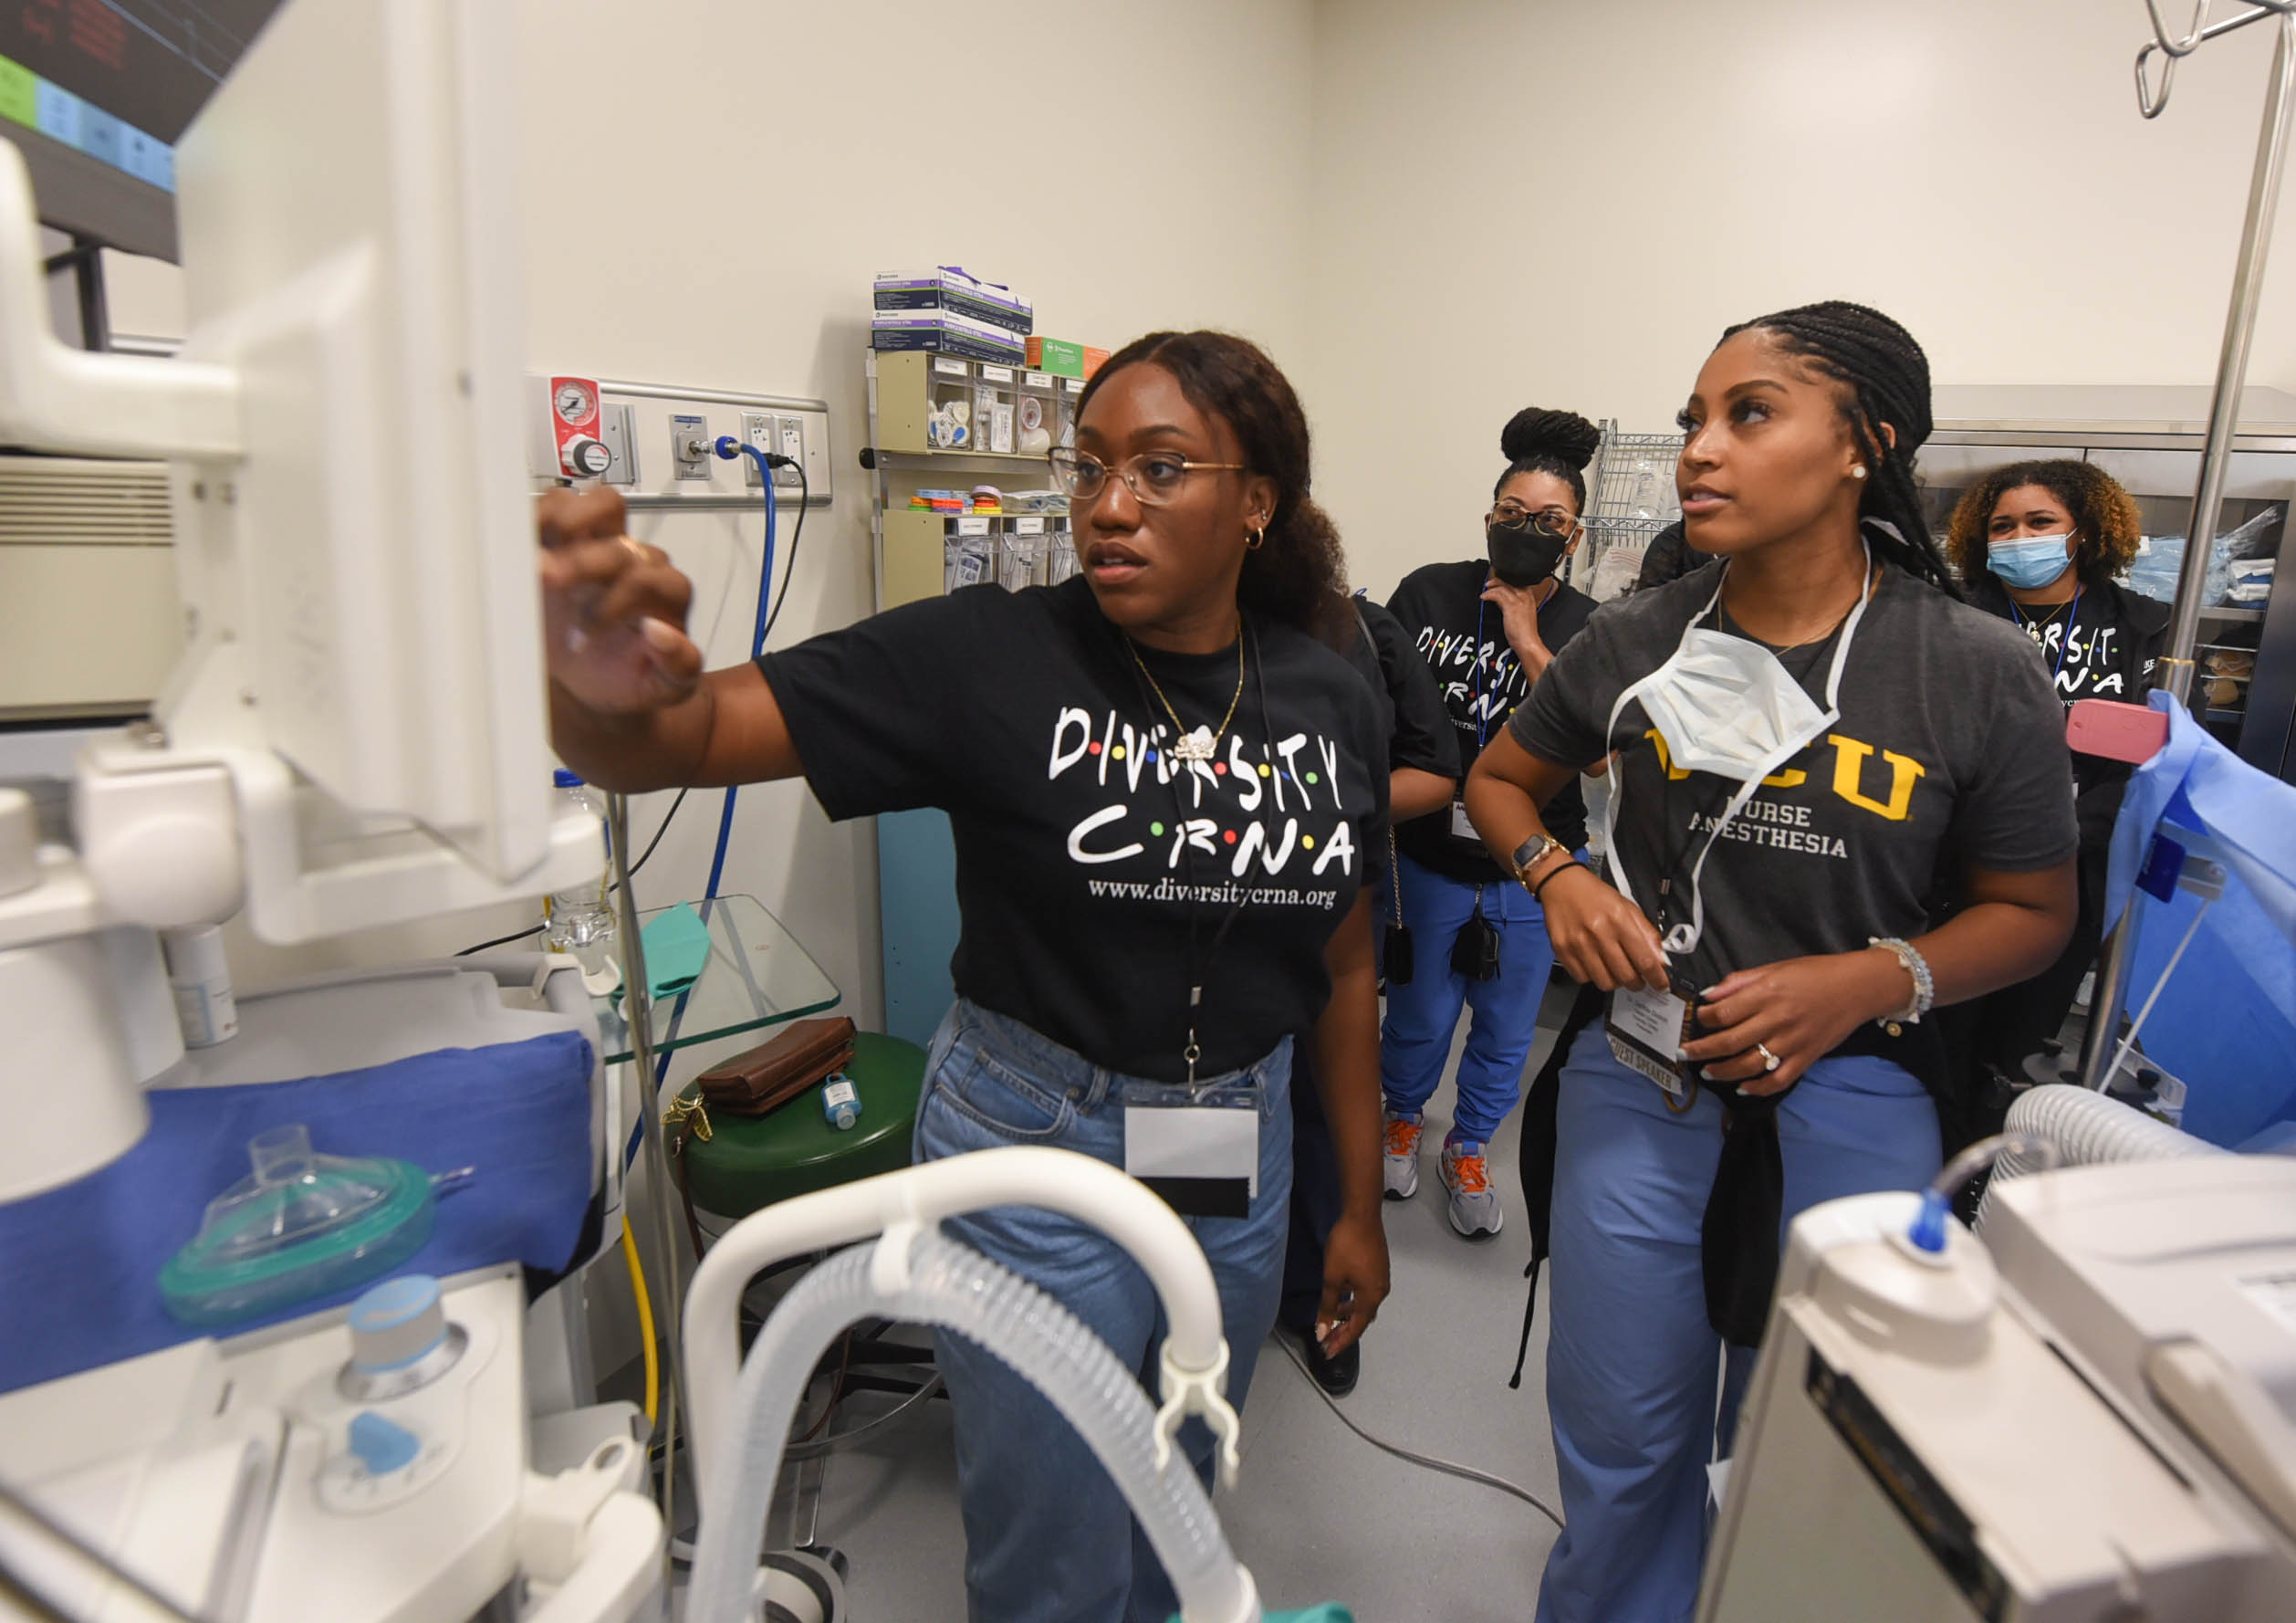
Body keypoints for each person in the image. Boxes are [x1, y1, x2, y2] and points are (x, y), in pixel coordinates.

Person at [540, 330, 1392, 1623]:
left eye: (1162, 471)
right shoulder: (987, 657)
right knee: (1049, 1542)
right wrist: (596, 689)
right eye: (1092, 466)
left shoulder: (1331, 696)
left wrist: (1358, 1198)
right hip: (1029, 1135)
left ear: (1257, 502)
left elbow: (1341, 952)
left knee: (1185, 1477)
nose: (1108, 506)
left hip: (1234, 1141)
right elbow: (679, 732)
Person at [1464, 301, 2079, 1623]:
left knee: (1805, 1452)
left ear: (1866, 442)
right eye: (1695, 418)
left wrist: (1866, 977)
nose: (1701, 448)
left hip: (1859, 1097)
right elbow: (1504, 778)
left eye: (1748, 414)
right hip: (1643, 1081)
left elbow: (2032, 909)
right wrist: (1555, 874)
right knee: (1624, 1446)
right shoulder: (1634, 640)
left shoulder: (1974, 667)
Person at [1380, 408, 1602, 1237]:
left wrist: (1525, 637)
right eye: (1511, 514)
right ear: (1488, 516)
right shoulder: (1428, 590)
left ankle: (1468, 1145)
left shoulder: (1592, 628)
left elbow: (1604, 758)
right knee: (1417, 1015)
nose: (1526, 530)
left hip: (1534, 866)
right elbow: (1380, 708)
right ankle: (1402, 1118)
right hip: (1429, 858)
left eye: (1547, 521)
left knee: (1508, 1031)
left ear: (1573, 535)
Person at [1942, 460, 2166, 1107]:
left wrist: (2066, 835)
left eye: (2040, 523)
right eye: (2002, 526)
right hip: (1951, 864)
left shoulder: (2141, 628)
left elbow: (2155, 757)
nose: (2019, 539)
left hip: (2074, 868)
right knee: (1936, 1031)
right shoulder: (1952, 617)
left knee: (2016, 1040)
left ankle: (1989, 1148)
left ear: (2086, 532)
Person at [1280, 593, 1457, 1394]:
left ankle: (1316, 1297)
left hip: (1332, 890)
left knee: (1322, 1096)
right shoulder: (1165, 623)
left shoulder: (1359, 625)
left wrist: (1326, 813)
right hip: (1204, 899)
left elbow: (1439, 770)